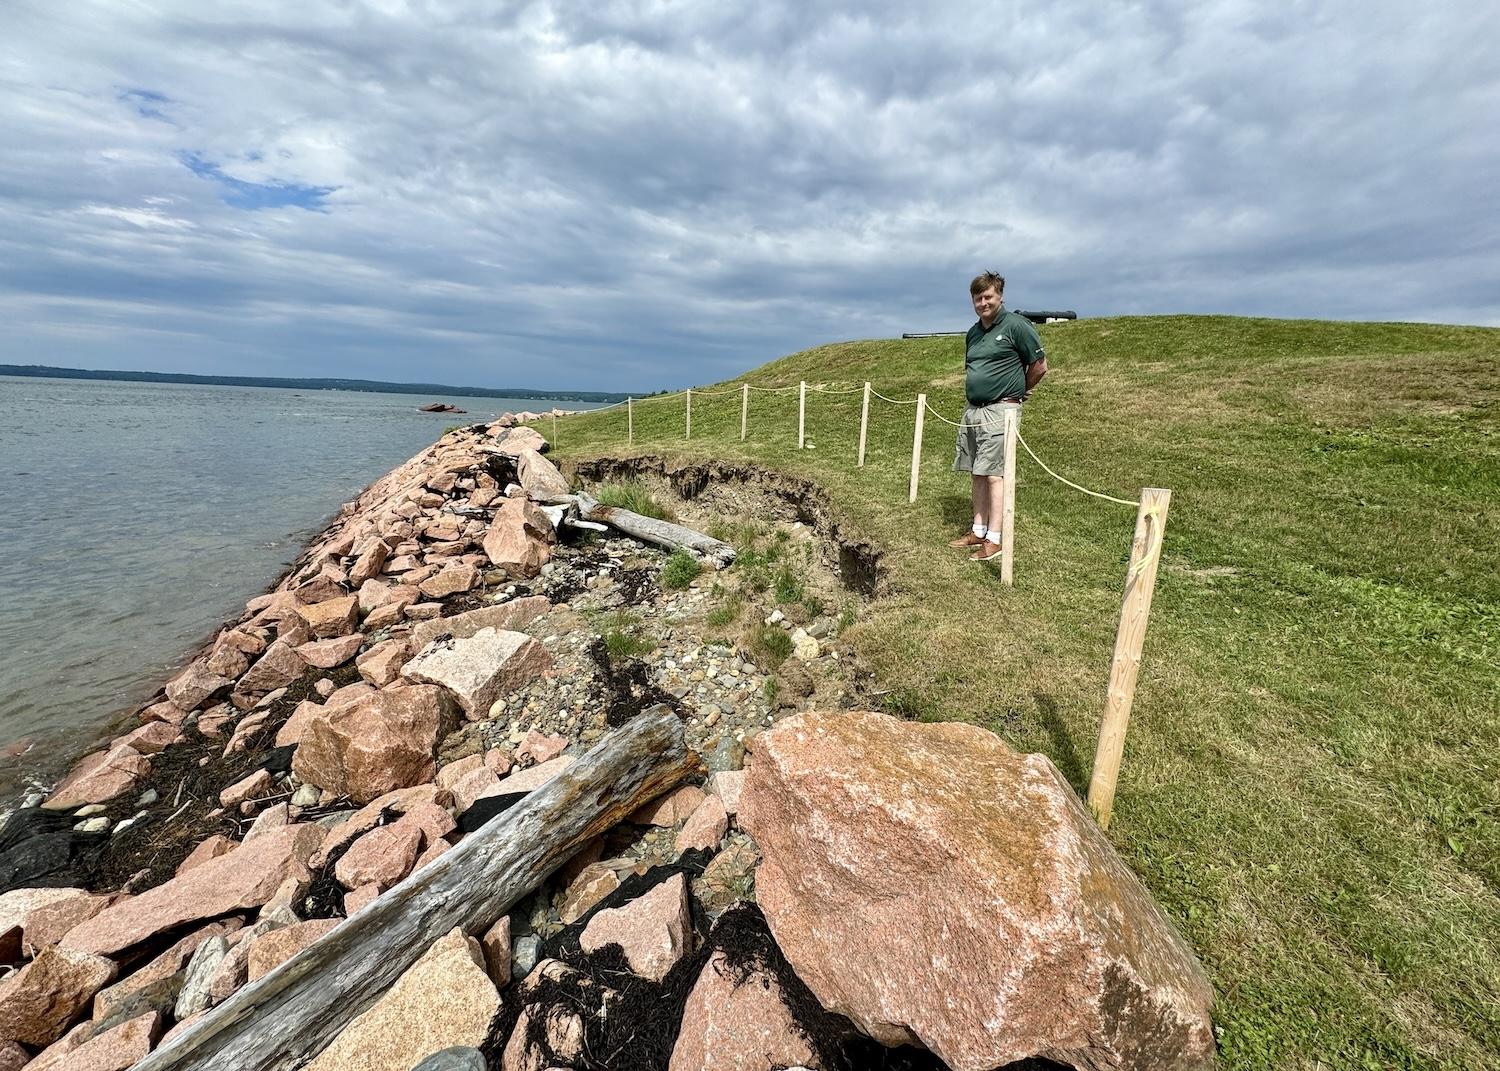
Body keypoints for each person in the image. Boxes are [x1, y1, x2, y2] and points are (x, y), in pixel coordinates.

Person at [950, 271, 1047, 561]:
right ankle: (978, 530)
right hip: (974, 410)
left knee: (994, 474)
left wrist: (1019, 392)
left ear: (1000, 297)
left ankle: (995, 539)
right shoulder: (973, 332)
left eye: (988, 297)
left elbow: (1039, 366)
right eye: (978, 298)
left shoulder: (1017, 326)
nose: (983, 303)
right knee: (978, 471)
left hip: (999, 410)